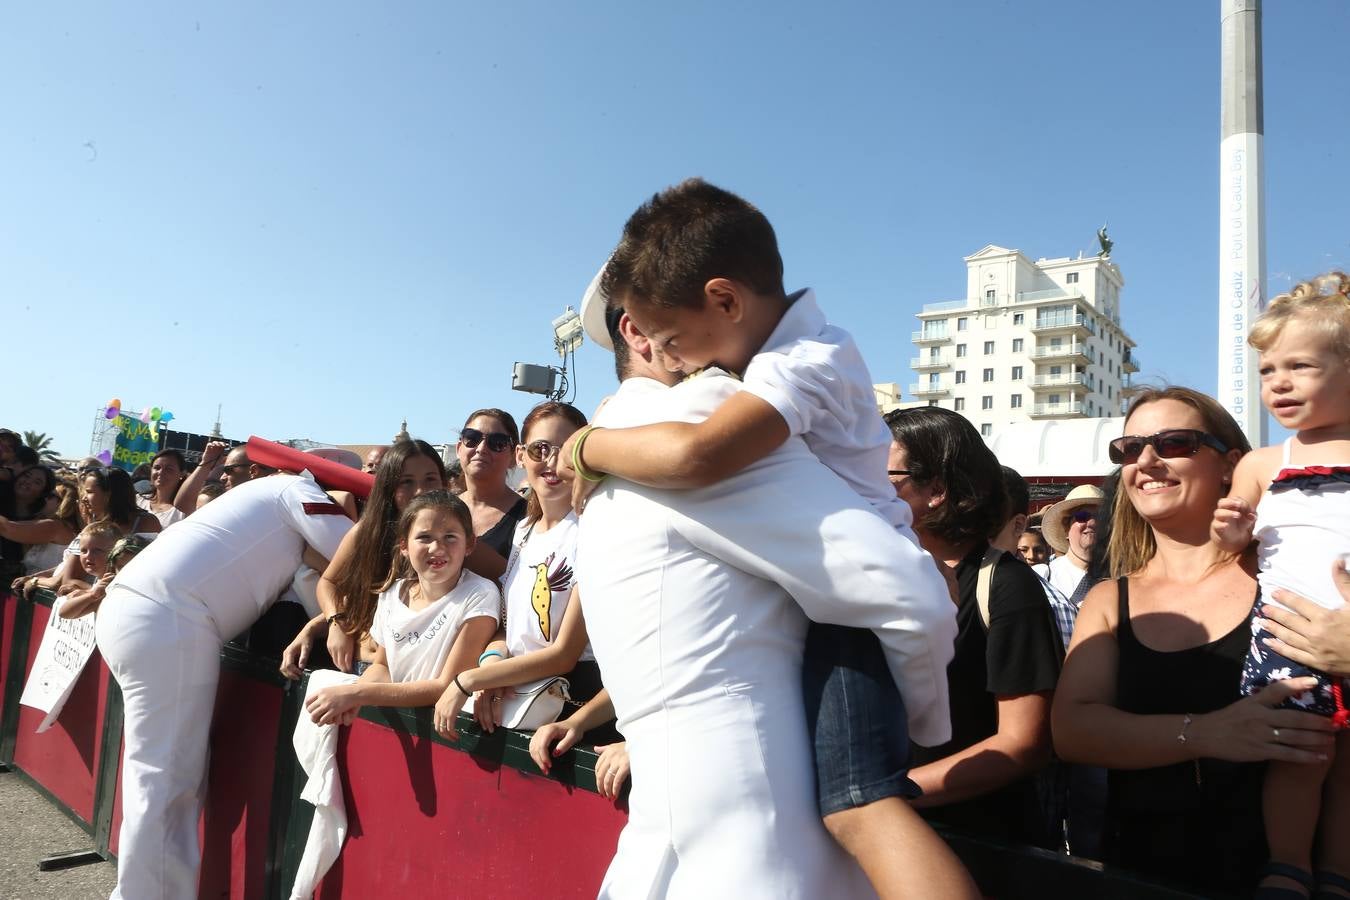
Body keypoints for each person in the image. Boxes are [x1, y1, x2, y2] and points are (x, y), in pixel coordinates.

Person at [563, 261, 972, 898]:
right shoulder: (705, 414)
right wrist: (915, 728)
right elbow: (908, 595)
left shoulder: (604, 460)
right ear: (642, 334)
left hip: (669, 840)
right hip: (762, 842)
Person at [1052, 386, 1338, 897]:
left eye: (1174, 443)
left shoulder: (1290, 577)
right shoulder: (1108, 599)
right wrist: (1206, 733)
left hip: (1291, 878)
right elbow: (1072, 730)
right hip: (1144, 871)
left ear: (1231, 465)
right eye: (1128, 448)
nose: (1146, 461)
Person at [95, 467, 353, 899]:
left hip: (145, 611)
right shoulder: (297, 489)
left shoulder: (264, 494)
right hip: (169, 618)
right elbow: (359, 554)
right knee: (165, 780)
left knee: (159, 776)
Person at [1210, 272, 1350, 897]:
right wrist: (1231, 526)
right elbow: (1231, 541)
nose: (1280, 383)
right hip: (1290, 634)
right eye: (1268, 370)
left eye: (1300, 366)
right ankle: (1289, 864)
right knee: (1301, 759)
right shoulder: (1265, 462)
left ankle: (1339, 873)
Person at [886, 409, 1063, 846]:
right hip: (876, 837)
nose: (858, 482)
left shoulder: (1005, 585)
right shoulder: (873, 572)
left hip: (974, 843)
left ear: (937, 490)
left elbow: (1021, 743)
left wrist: (888, 798)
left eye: (882, 473)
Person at [433, 402, 612, 737]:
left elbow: (564, 655)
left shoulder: (595, 529)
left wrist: (469, 679)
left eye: (566, 449)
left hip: (573, 712)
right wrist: (493, 667)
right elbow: (509, 630)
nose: (552, 461)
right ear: (521, 455)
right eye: (540, 449)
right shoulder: (524, 531)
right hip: (518, 702)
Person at [302, 491, 499, 723]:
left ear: (470, 543)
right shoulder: (393, 592)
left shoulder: (479, 594)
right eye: (424, 537)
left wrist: (355, 693)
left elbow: (445, 686)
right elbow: (383, 667)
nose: (437, 548)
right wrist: (352, 698)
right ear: (404, 545)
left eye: (450, 537)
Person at [281, 440, 445, 677]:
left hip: (412, 676)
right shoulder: (369, 531)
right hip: (356, 666)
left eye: (430, 479)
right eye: (406, 482)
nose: (419, 491)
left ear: (444, 483)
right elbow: (331, 583)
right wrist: (330, 624)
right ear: (389, 486)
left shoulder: (456, 539)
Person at [456, 408, 526, 578]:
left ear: (513, 457)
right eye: (472, 438)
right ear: (459, 448)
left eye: (497, 443)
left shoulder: (529, 516)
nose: (481, 448)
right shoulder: (440, 509)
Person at [1041, 485, 1104, 600]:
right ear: (1066, 527)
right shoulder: (1043, 576)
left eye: (1100, 516)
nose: (1092, 523)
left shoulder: (1123, 577)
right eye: (1082, 516)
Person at [137, 449, 187, 529]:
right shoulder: (138, 500)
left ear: (182, 474)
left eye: (169, 469)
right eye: (157, 468)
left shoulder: (184, 512)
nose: (161, 472)